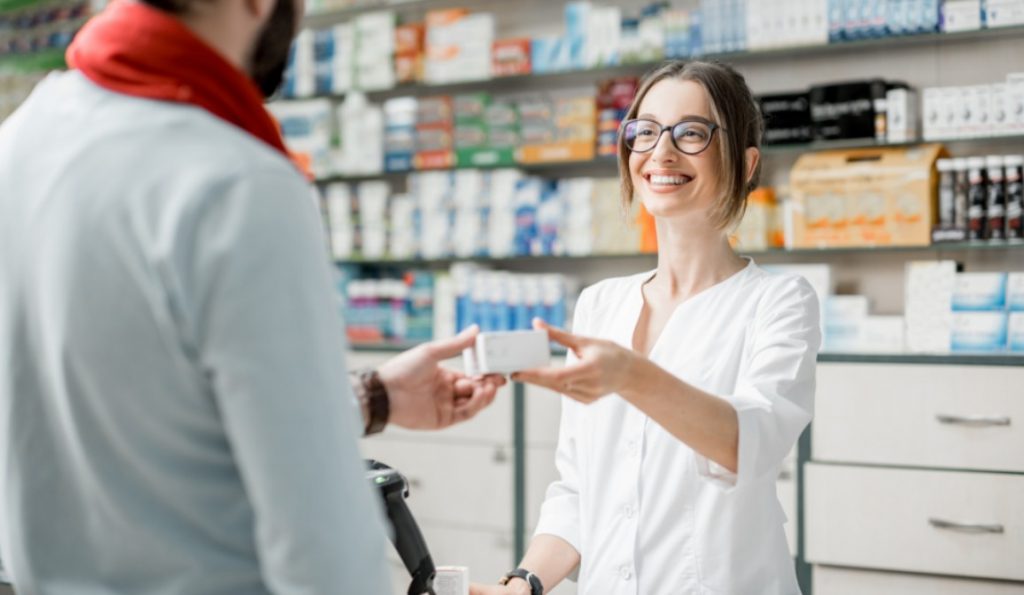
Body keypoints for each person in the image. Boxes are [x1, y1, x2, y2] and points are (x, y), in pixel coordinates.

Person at [0, 0, 504, 593]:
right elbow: (324, 546)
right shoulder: (239, 182)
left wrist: (374, 399)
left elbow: (132, 414)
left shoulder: (23, 139)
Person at [472, 60, 821, 595]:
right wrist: (524, 583)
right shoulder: (600, 304)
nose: (662, 151)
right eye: (646, 131)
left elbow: (747, 444)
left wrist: (630, 377)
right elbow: (578, 489)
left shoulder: (778, 302)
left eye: (692, 133)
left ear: (747, 163)